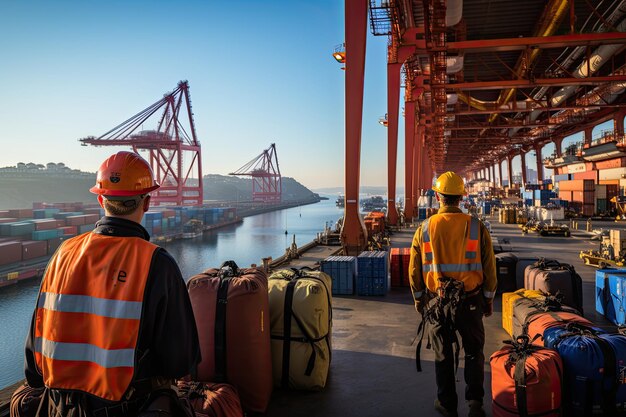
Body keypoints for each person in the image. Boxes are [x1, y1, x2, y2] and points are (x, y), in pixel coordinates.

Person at [20, 151, 200, 417]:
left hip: (60, 408)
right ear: (147, 202)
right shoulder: (156, 263)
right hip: (130, 408)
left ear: (100, 199)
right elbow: (180, 362)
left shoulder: (61, 254)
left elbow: (33, 367)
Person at [409, 171, 497, 417]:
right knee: (473, 352)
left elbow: (414, 270)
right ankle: (475, 403)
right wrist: (488, 300)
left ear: (437, 196)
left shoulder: (424, 229)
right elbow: (489, 268)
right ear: (461, 197)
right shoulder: (476, 227)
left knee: (443, 355)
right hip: (471, 301)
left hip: (437, 303)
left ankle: (447, 404)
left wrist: (419, 299)